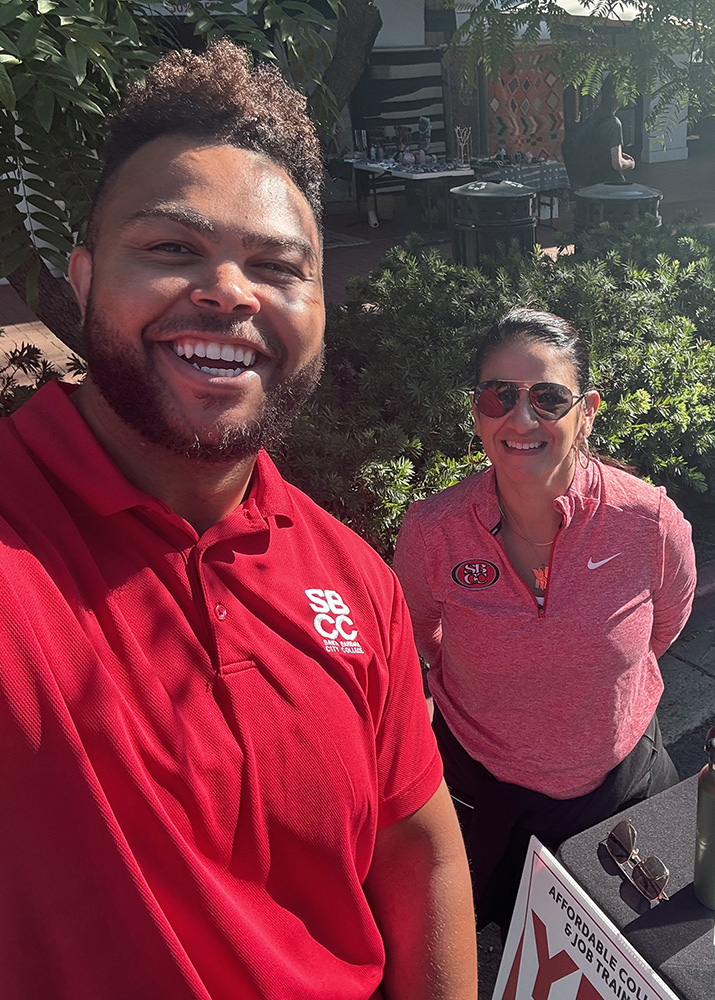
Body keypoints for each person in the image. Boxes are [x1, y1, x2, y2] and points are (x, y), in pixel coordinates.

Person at [0, 40, 478, 1000]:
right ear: (84, 278)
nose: (229, 290)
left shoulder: (355, 578)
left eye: (275, 263)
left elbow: (420, 854)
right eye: (172, 248)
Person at [393, 308, 696, 932]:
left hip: (621, 785)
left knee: (618, 950)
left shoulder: (649, 522)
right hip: (485, 790)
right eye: (499, 395)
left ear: (587, 411)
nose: (521, 418)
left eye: (548, 398)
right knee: (509, 937)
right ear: (478, 411)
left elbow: (665, 624)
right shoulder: (432, 532)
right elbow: (421, 639)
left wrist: (585, 674)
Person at [562, 76, 635, 188]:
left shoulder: (594, 117)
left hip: (588, 182)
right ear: (613, 94)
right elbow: (617, 164)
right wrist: (630, 163)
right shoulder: (613, 123)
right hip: (608, 183)